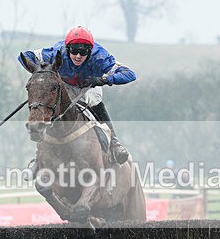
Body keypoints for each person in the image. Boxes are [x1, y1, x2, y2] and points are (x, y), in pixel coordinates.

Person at [18, 26, 136, 164]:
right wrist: (43, 71)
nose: (78, 56)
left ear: (90, 51)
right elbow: (25, 56)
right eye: (74, 51)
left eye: (83, 52)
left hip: (89, 86)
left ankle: (114, 143)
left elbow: (129, 74)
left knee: (94, 101)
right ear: (67, 49)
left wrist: (103, 80)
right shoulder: (55, 52)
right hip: (64, 85)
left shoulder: (100, 56)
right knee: (52, 108)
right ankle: (40, 157)